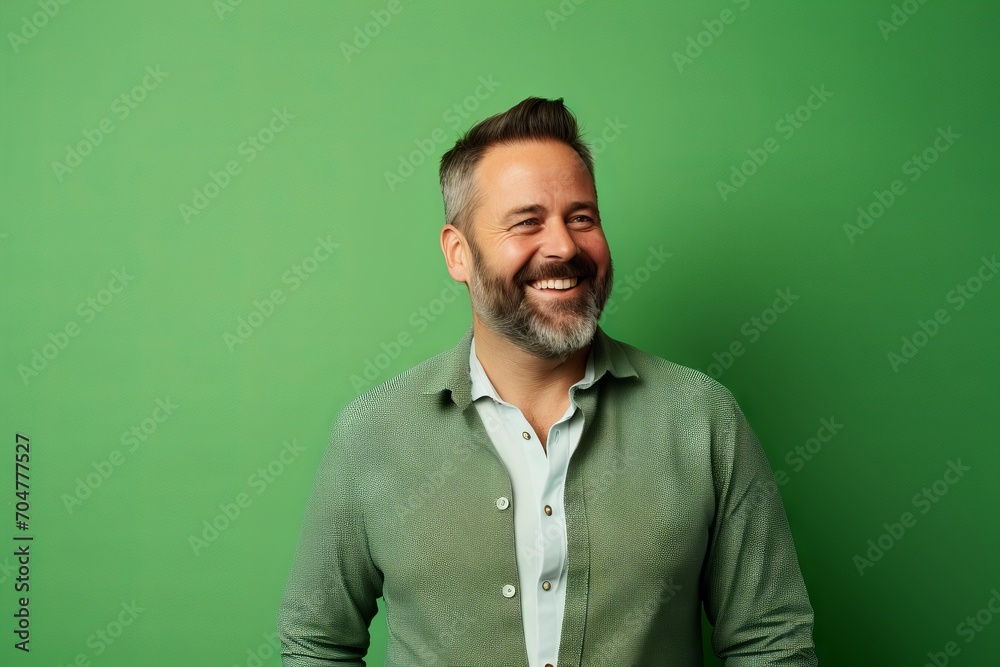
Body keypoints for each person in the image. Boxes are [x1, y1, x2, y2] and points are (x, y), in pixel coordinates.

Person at [278, 97, 817, 666]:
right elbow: (319, 643)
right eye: (527, 222)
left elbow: (770, 642)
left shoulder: (702, 419)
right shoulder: (372, 434)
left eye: (581, 217)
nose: (563, 246)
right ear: (458, 253)